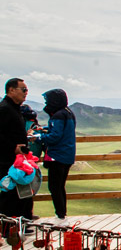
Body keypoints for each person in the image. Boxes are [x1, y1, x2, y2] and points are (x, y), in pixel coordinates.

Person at [37, 89, 76, 222]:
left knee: (54, 186)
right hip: (68, 155)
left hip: (58, 155)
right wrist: (46, 129)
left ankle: (60, 215)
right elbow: (61, 131)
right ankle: (62, 214)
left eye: (48, 100)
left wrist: (38, 137)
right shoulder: (68, 113)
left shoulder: (58, 115)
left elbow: (55, 136)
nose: (46, 103)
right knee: (60, 186)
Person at [0, 78, 31, 220]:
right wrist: (13, 148)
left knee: (18, 193)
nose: (26, 93)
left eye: (27, 90)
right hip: (6, 160)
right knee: (9, 193)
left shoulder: (14, 108)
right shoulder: (5, 109)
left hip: (17, 160)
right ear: (11, 90)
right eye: (23, 90)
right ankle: (8, 226)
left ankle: (17, 224)